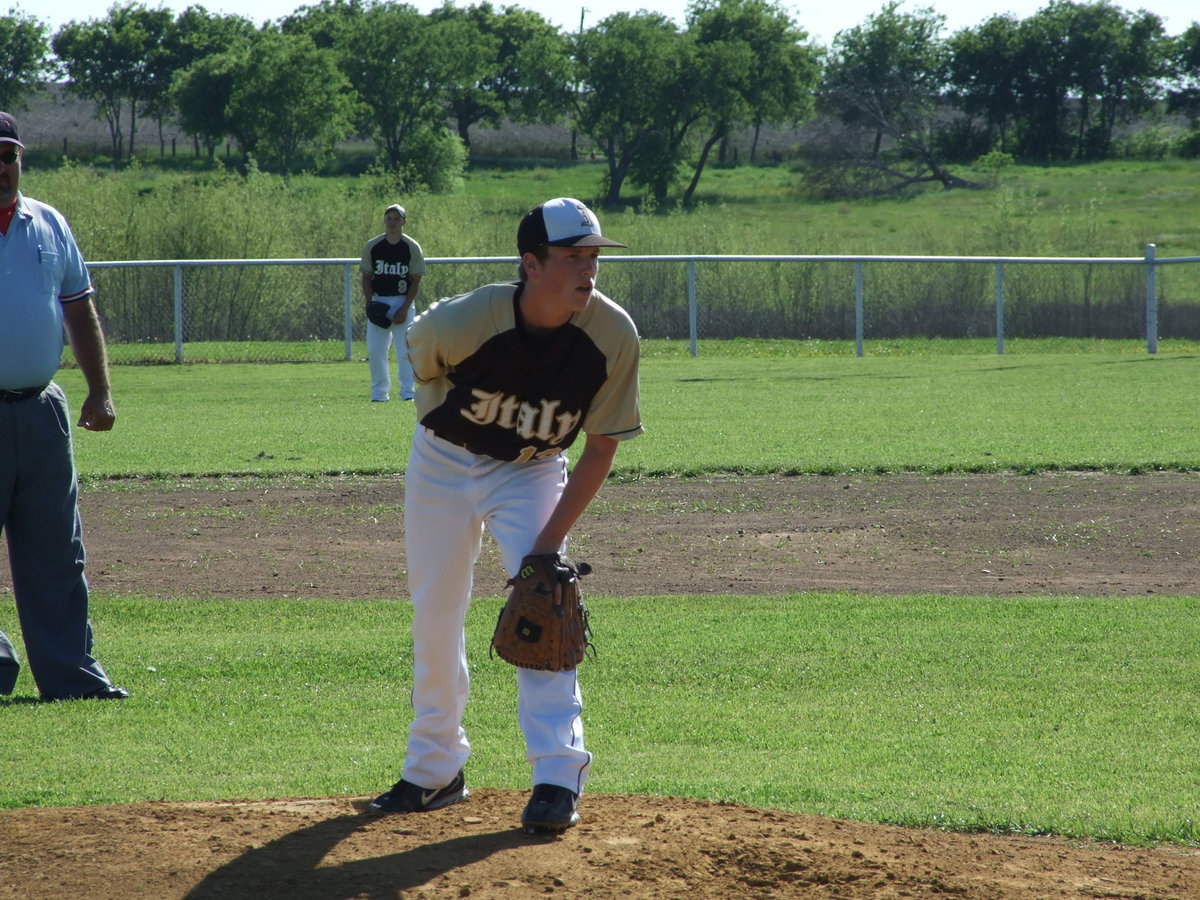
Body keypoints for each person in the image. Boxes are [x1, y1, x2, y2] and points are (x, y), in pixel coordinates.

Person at [368, 197, 643, 833]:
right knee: (435, 615)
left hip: (534, 468)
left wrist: (546, 549)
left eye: (594, 256)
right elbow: (419, 353)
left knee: (547, 602)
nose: (588, 269)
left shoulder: (612, 335)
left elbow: (600, 447)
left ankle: (556, 774)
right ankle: (434, 770)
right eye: (573, 256)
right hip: (443, 462)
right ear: (530, 263)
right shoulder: (467, 321)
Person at [0, 111, 128, 702]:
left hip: (42, 411)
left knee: (57, 550)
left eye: (8, 154)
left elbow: (78, 310)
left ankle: (70, 676)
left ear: (21, 158)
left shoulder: (48, 223)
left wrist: (100, 390)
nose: (0, 166)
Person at [360, 203, 425, 402]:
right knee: (376, 349)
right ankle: (379, 393)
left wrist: (404, 308)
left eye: (397, 218)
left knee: (404, 350)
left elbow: (415, 280)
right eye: (389, 218)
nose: (393, 222)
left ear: (404, 222)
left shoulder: (411, 247)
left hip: (402, 300)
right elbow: (366, 277)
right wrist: (370, 303)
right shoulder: (373, 246)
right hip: (379, 300)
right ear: (384, 221)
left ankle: (408, 391)